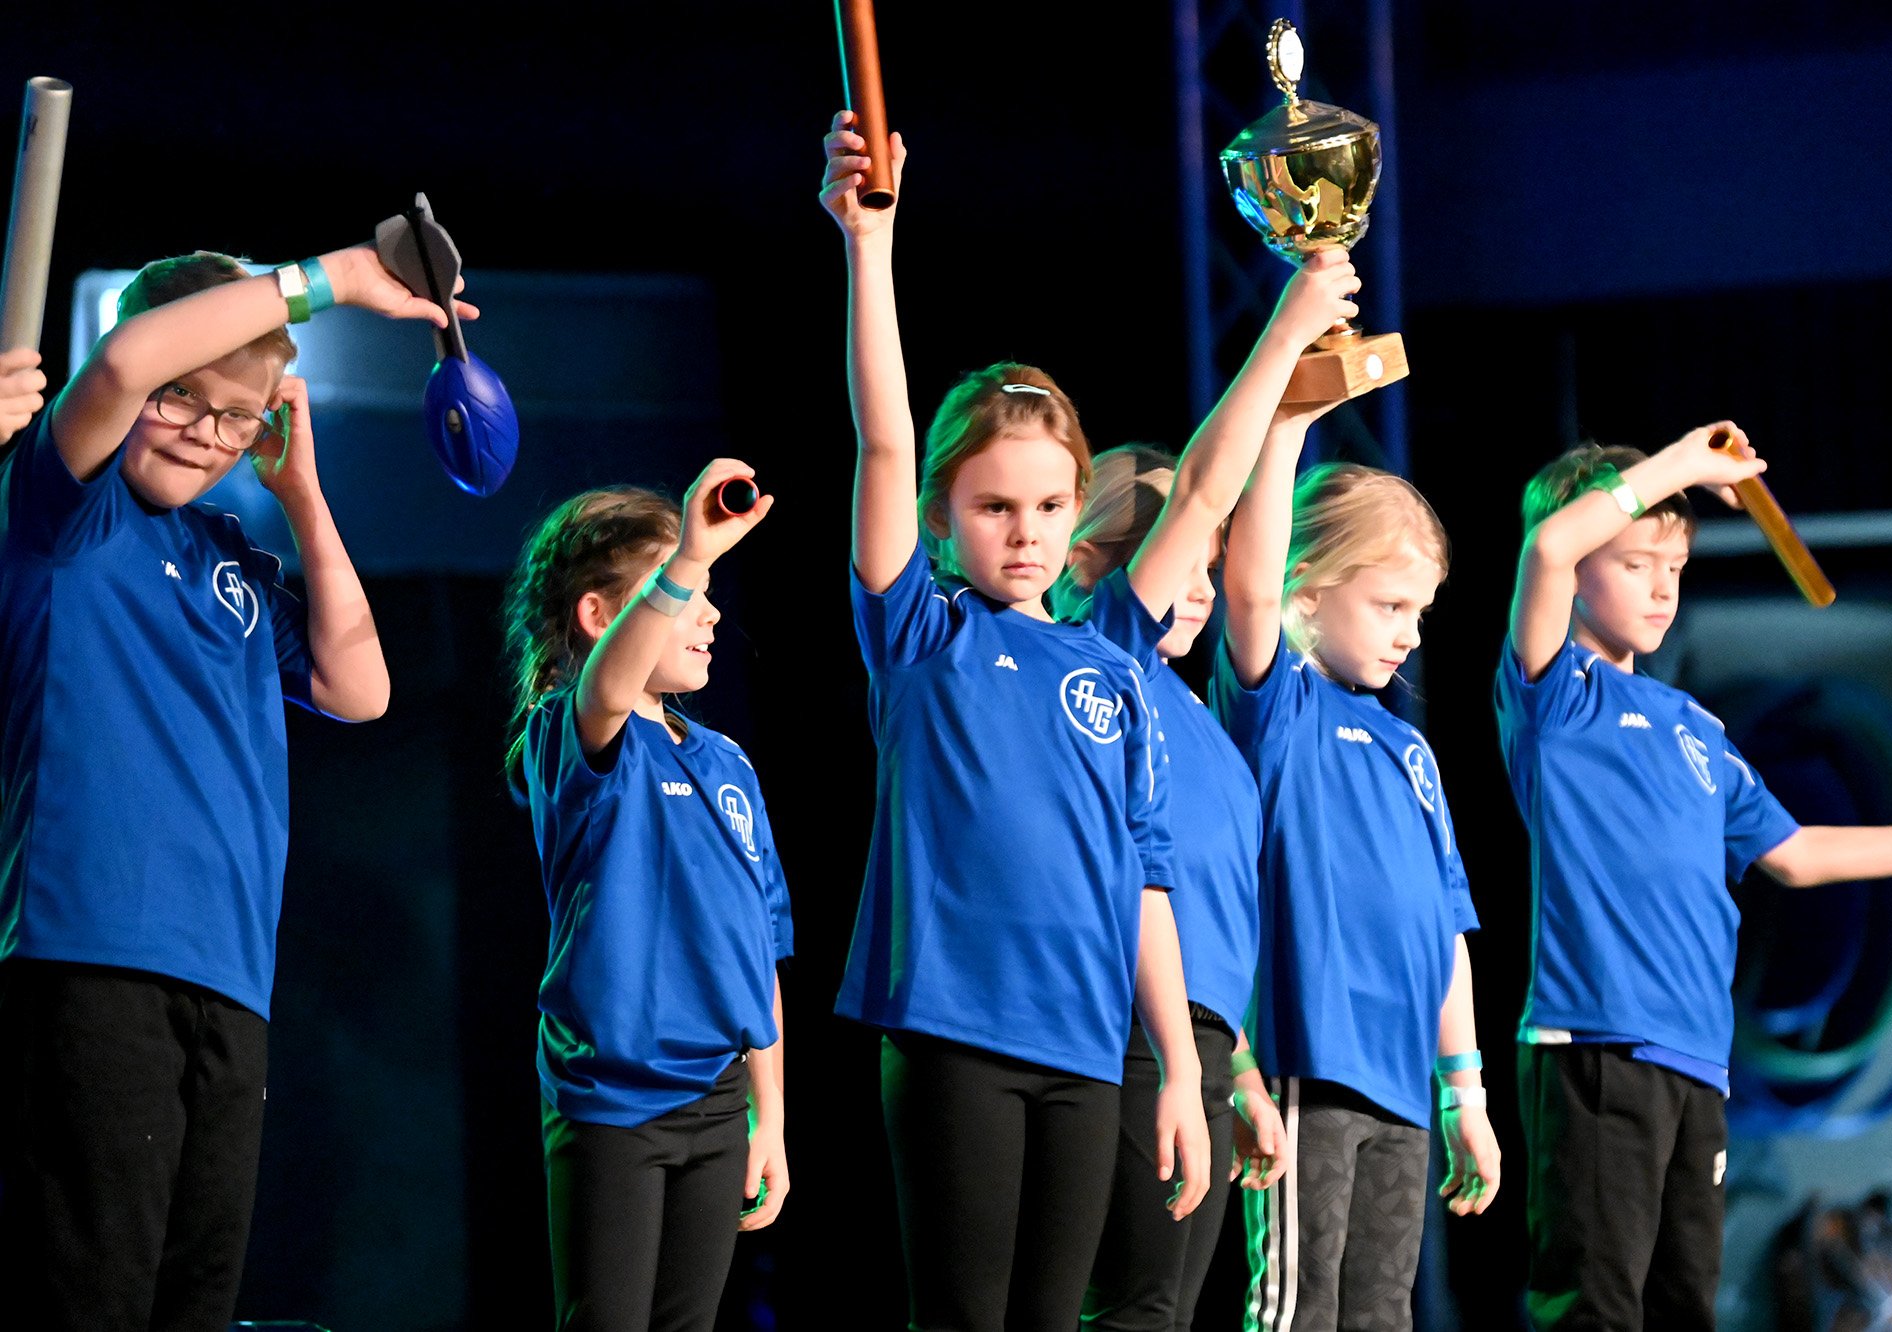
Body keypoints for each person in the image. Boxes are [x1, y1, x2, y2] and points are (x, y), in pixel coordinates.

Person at [0, 245, 467, 1329]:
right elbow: (123, 364)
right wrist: (336, 277)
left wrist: (301, 497)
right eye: (183, 399)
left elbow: (360, 689)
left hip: (229, 980)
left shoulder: (232, 560)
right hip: (93, 956)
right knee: (92, 1292)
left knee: (194, 1302)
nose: (207, 433)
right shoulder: (66, 509)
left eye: (237, 416)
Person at [820, 109, 1210, 1329]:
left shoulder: (1111, 669)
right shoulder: (922, 633)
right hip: (955, 1036)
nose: (1027, 532)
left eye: (1048, 506)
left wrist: (1179, 1066)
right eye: (994, 508)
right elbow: (885, 442)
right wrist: (868, 248)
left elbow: (1146, 876)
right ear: (944, 516)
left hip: (1088, 1047)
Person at [1500, 426, 1892, 1330]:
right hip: (1598, 1043)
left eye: (1675, 566)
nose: (1663, 586)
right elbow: (1548, 546)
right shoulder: (1558, 695)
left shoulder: (1696, 729)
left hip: (1696, 1059)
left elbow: (1797, 854)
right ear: (1581, 572)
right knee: (1594, 1305)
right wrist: (1683, 467)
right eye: (1636, 563)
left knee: (1684, 1302)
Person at [1050, 245, 1360, 1329]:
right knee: (1134, 1306)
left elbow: (1215, 914)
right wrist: (1284, 344)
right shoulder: (1099, 663)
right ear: (1092, 563)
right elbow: (1200, 491)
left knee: (1163, 1311)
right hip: (1129, 1026)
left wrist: (1238, 1071)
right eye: (1170, 557)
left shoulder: (1201, 719)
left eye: (1205, 560)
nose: (1197, 581)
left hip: (1204, 1040)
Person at [1219, 408, 1500, 1332]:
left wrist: (1465, 1091)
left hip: (1403, 1079)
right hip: (1311, 1061)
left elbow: (1446, 930)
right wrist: (1286, 425)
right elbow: (1249, 586)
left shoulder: (1411, 751)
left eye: (1419, 612)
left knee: (1383, 1312)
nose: (1410, 635)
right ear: (1306, 591)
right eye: (1389, 606)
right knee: (1297, 1311)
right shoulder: (1279, 711)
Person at [504, 463, 789, 1331]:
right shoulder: (574, 733)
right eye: (681, 589)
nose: (708, 611)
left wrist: (769, 1117)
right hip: (614, 1099)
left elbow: (759, 953)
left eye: (706, 589)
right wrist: (688, 556)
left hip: (719, 1100)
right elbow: (607, 691)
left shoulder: (729, 763)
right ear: (599, 616)